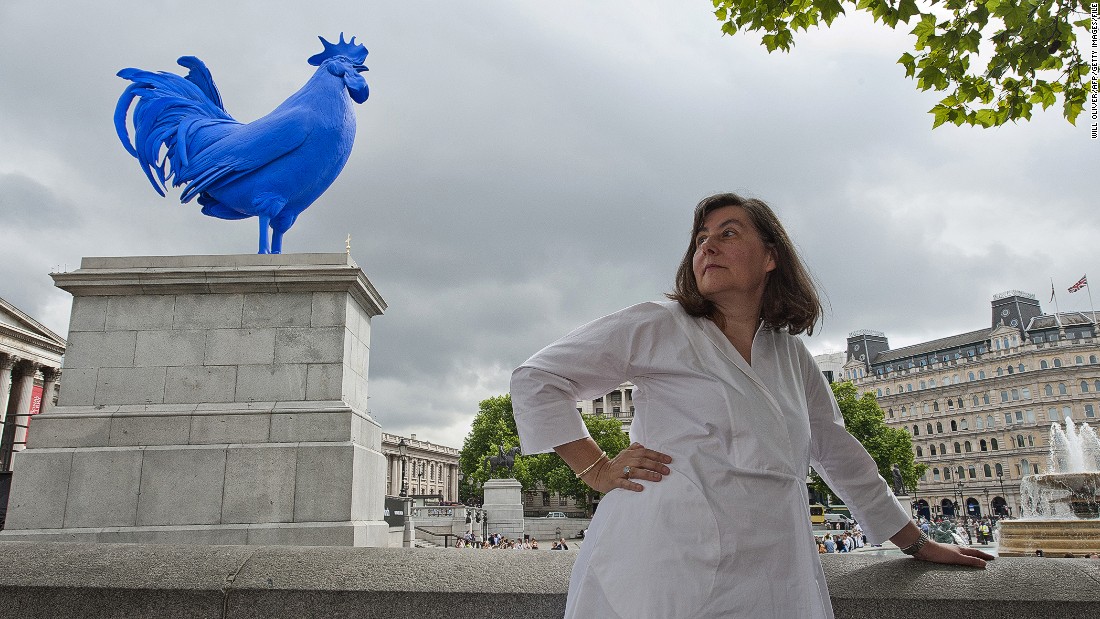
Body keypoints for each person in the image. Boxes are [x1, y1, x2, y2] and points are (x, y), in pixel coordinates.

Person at [510, 193, 993, 618]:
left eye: (728, 233)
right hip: (664, 559)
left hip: (772, 568)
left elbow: (835, 448)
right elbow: (537, 378)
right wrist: (595, 469)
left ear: (770, 257)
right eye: (700, 239)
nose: (707, 247)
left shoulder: (790, 353)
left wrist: (915, 541)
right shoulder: (659, 324)